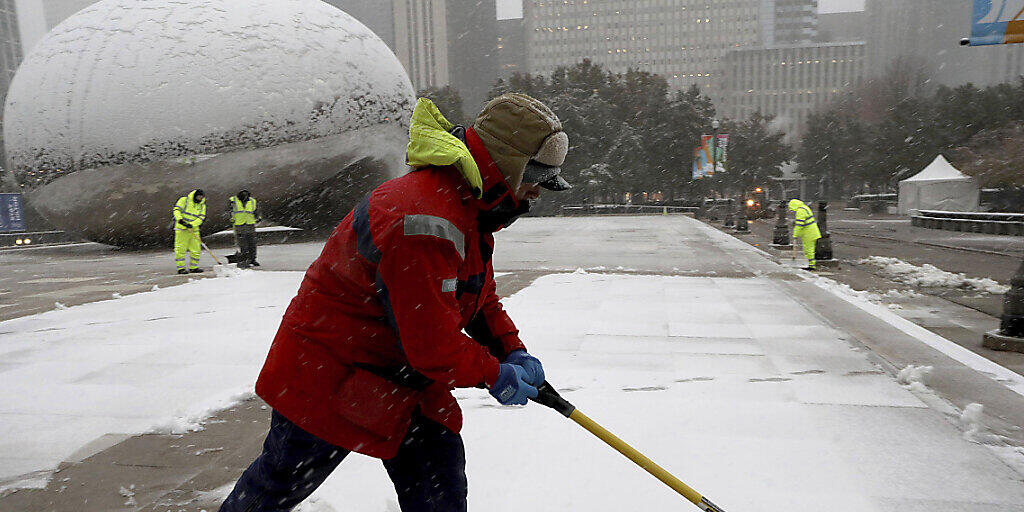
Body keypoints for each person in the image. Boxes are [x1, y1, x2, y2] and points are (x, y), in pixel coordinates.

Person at [218, 93, 571, 512]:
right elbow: (432, 344)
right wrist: (495, 373)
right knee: (276, 486)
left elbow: (479, 296)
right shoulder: (425, 222)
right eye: (536, 177)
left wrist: (512, 348)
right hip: (329, 372)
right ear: (506, 164)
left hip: (399, 377)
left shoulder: (469, 206)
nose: (537, 192)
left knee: (439, 490)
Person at [173, 189, 207, 274]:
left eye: (201, 197)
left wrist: (192, 224)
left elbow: (201, 217)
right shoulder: (184, 200)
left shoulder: (202, 205)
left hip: (194, 230)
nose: (200, 198)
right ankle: (181, 268)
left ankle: (194, 267)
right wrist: (180, 220)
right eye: (199, 196)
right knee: (181, 249)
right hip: (181, 229)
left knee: (196, 249)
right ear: (195, 196)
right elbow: (176, 210)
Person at [228, 190, 261, 268]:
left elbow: (256, 210)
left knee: (252, 243)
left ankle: (252, 259)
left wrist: (258, 217)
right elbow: (228, 211)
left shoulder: (252, 201)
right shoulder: (233, 201)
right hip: (239, 225)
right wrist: (230, 218)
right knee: (243, 244)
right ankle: (245, 260)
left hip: (250, 224)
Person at [789, 198, 821, 271]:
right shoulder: (804, 207)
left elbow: (800, 225)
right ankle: (810, 264)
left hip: (808, 233)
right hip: (812, 231)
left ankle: (811, 265)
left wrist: (795, 234)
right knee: (810, 249)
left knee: (808, 249)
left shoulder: (800, 211)